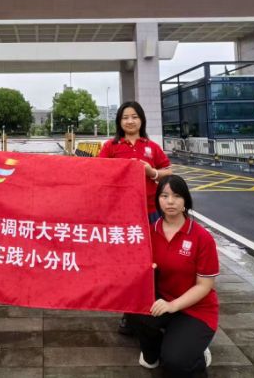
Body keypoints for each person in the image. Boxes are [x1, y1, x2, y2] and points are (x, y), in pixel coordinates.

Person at [129, 175, 219, 377]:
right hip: (163, 301)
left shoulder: (201, 237)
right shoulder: (148, 233)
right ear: (157, 200)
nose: (170, 201)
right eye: (164, 196)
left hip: (195, 309)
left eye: (177, 196)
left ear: (185, 200)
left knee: (176, 362)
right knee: (132, 306)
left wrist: (172, 305)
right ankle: (154, 353)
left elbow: (204, 286)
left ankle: (197, 354)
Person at [98, 101, 172, 335]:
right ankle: (129, 314)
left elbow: (168, 172)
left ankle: (155, 310)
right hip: (122, 216)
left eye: (134, 117)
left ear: (142, 120)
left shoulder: (152, 147)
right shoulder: (111, 146)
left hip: (150, 212)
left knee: (153, 263)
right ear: (119, 122)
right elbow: (97, 172)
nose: (130, 121)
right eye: (125, 117)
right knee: (127, 265)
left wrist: (152, 172)